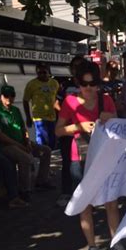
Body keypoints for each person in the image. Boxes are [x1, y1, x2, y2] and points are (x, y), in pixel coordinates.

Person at [55, 61, 126, 250]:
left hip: (104, 156)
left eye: (93, 83)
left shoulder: (105, 100)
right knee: (84, 203)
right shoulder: (70, 102)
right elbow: (58, 130)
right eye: (84, 83)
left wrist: (110, 117)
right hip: (78, 157)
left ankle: (116, 242)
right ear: (78, 82)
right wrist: (78, 127)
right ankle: (92, 247)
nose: (88, 88)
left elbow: (117, 123)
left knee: (111, 201)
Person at [0, 85, 52, 202]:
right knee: (26, 158)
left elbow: (23, 129)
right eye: (6, 96)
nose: (9, 99)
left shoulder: (16, 110)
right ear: (0, 97)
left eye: (12, 96)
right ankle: (24, 190)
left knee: (45, 150)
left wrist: (27, 141)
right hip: (5, 146)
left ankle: (41, 181)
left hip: (21, 142)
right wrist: (20, 146)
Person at [55, 56, 82, 208]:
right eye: (75, 67)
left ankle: (83, 193)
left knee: (81, 164)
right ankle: (66, 192)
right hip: (67, 130)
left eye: (81, 66)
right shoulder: (65, 85)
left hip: (85, 132)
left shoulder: (89, 84)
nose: (77, 70)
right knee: (67, 161)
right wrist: (67, 114)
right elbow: (56, 103)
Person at [23, 63, 60, 149]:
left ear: (48, 72)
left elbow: (57, 99)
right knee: (42, 140)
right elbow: (25, 101)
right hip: (39, 118)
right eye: (39, 73)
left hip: (52, 117)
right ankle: (42, 157)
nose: (42, 75)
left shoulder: (55, 83)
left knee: (52, 141)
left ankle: (49, 158)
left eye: (44, 72)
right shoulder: (31, 84)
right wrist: (28, 117)